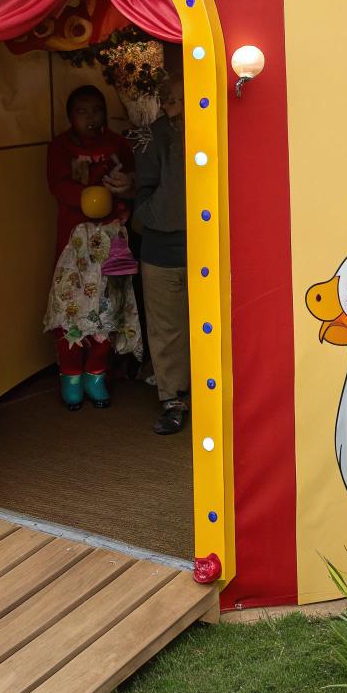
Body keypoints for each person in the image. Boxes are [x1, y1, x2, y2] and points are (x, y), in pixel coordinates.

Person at [44, 85, 138, 409]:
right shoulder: (60, 146)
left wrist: (124, 189)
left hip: (110, 238)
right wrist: (86, 197)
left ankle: (96, 372)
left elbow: (132, 179)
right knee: (70, 304)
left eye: (97, 109)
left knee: (107, 304)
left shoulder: (118, 144)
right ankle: (70, 375)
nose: (91, 117)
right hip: (73, 243)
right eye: (82, 111)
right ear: (70, 116)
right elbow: (57, 184)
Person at [133, 73, 190, 434]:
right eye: (171, 100)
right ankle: (173, 400)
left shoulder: (221, 127)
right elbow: (143, 194)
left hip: (212, 247)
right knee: (167, 328)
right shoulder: (154, 136)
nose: (178, 107)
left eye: (184, 99)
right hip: (162, 247)